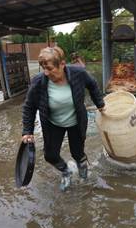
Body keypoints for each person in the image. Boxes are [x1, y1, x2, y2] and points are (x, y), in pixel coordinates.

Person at [21, 46, 105, 191]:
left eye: (50, 69)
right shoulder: (39, 82)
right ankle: (66, 172)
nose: (46, 73)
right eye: (43, 68)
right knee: (50, 155)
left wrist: (100, 104)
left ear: (62, 64)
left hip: (76, 121)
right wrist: (27, 131)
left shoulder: (78, 73)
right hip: (53, 123)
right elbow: (29, 106)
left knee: (77, 153)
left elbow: (92, 85)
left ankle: (83, 173)